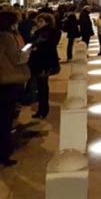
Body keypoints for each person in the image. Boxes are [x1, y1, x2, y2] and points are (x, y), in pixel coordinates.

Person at [0, 11, 31, 166]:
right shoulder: (6, 37)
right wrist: (26, 52)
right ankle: (4, 153)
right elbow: (17, 58)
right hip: (6, 81)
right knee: (5, 118)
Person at [29, 13, 61, 119]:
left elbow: (43, 47)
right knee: (42, 87)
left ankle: (42, 110)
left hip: (42, 63)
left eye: (41, 21)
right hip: (45, 63)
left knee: (42, 87)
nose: (38, 23)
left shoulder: (44, 33)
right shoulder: (49, 32)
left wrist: (35, 47)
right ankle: (42, 110)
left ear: (47, 22)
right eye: (38, 21)